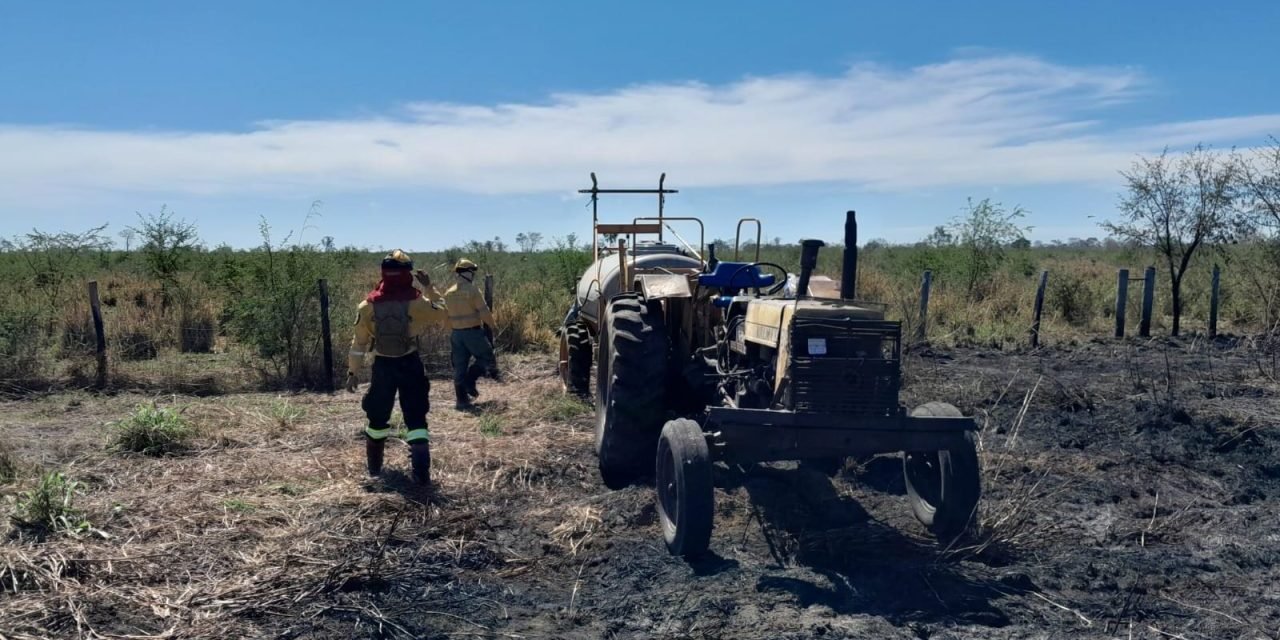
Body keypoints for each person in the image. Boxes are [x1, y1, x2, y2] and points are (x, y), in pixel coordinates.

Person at [347, 250, 447, 483]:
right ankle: (421, 478)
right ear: (408, 274)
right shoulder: (418, 302)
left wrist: (352, 371)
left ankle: (375, 472)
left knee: (377, 418)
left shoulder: (367, 305)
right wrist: (430, 287)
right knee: (416, 419)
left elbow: (358, 343)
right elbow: (442, 312)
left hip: (383, 367)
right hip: (410, 364)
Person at [443, 258, 500, 410]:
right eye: (472, 271)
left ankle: (461, 401)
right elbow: (484, 311)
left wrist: (454, 330)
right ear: (467, 273)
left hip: (456, 334)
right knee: (487, 357)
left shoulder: (448, 292)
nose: (473, 275)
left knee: (459, 367)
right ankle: (470, 380)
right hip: (472, 333)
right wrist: (493, 325)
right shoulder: (472, 290)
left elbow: (445, 316)